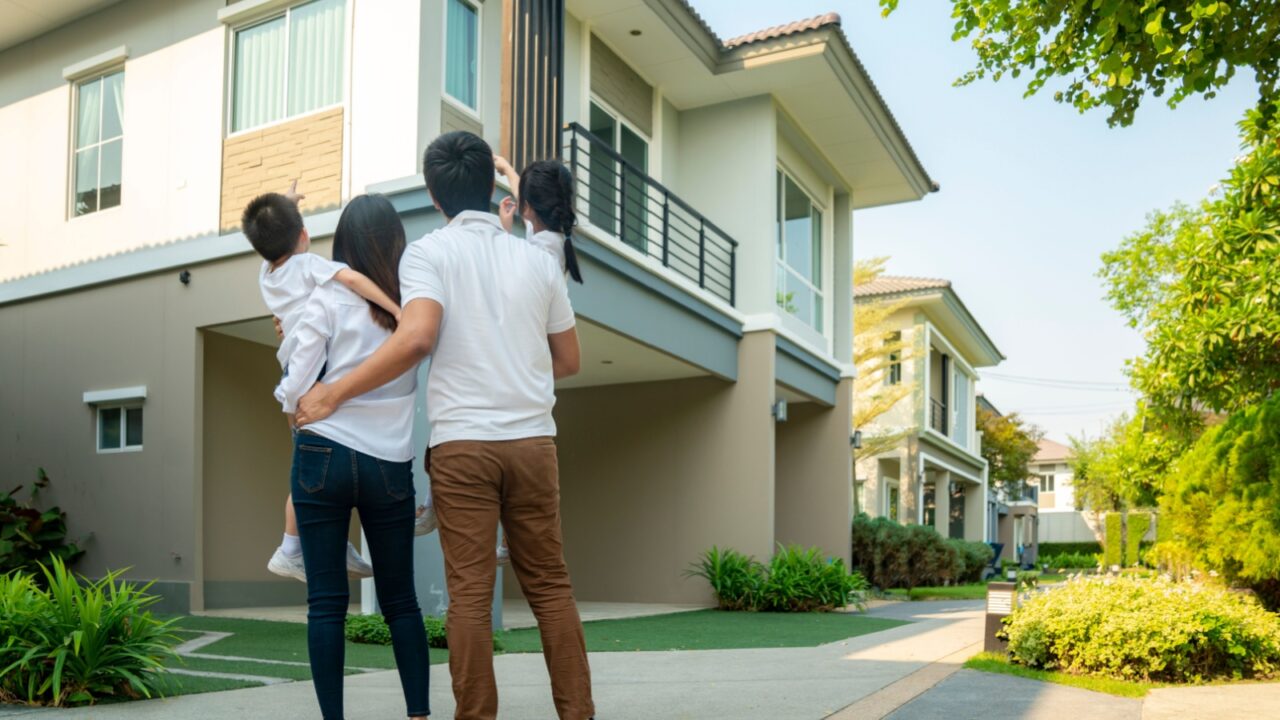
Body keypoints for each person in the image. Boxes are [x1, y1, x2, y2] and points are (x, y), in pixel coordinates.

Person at [295, 131, 595, 720]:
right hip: (534, 444)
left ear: (434, 196)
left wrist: (332, 392)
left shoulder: (428, 254)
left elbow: (416, 337)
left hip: (463, 449)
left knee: (470, 595)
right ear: (490, 187)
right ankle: (578, 713)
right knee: (551, 587)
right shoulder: (537, 261)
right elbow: (568, 360)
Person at [278, 194, 432, 720]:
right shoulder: (413, 307)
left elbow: (300, 380)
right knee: (401, 601)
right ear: (396, 244)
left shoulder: (324, 297)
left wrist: (288, 382)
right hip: (389, 463)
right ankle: (418, 715)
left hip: (322, 451)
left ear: (343, 244)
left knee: (325, 604)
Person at [242, 186, 436, 584]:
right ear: (303, 235)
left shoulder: (268, 275)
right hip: (312, 372)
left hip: (297, 368)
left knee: (302, 467)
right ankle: (289, 549)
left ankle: (297, 544)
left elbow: (276, 238)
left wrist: (288, 207)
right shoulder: (313, 270)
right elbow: (353, 279)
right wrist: (396, 309)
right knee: (399, 592)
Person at [494, 156, 584, 284]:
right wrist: (507, 169)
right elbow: (520, 194)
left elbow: (504, 278)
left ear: (527, 207)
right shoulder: (549, 234)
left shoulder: (541, 251)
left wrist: (504, 230)